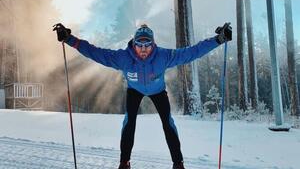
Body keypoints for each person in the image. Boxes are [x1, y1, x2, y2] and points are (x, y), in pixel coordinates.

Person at [53, 22, 232, 169]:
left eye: (148, 45)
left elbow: (191, 52)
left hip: (158, 91)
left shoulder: (163, 56)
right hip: (134, 90)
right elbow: (97, 53)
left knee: (168, 123)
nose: (144, 49)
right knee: (129, 122)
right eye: (140, 45)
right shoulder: (124, 57)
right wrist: (69, 39)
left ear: (153, 44)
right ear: (134, 44)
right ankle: (124, 162)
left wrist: (218, 40)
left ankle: (178, 164)